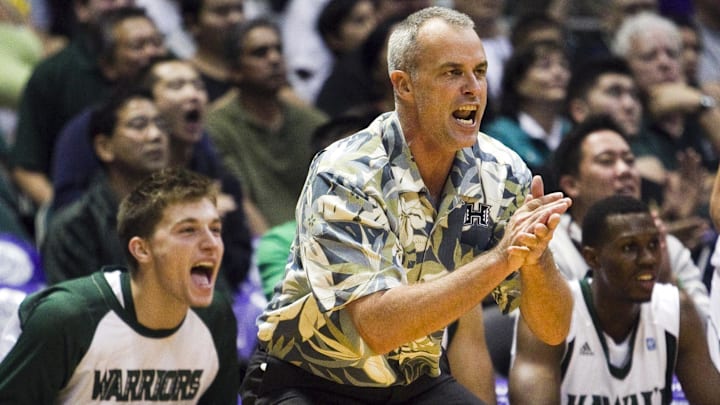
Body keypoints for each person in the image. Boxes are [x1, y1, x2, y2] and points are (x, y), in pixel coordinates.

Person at [241, 7, 573, 404]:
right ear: (404, 85)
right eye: (452, 72)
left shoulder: (501, 172)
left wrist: (536, 259)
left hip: (415, 379)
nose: (473, 88)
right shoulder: (347, 172)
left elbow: (553, 329)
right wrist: (502, 259)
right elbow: (378, 327)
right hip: (309, 380)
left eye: (480, 72)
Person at [0, 167, 240, 403]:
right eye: (188, 230)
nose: (211, 244)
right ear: (142, 249)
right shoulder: (67, 319)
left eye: (215, 229)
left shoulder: (215, 319)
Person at [509, 194, 720, 404]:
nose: (648, 259)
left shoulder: (677, 311)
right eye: (629, 247)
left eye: (654, 244)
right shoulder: (550, 313)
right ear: (592, 257)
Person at [547, 114, 710, 317]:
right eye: (606, 161)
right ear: (571, 184)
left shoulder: (665, 245)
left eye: (630, 160)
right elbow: (551, 331)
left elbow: (709, 331)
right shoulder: (550, 248)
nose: (625, 171)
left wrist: (667, 280)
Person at [10, 4, 165, 210]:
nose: (151, 53)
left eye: (156, 43)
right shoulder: (57, 78)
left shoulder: (169, 71)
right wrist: (64, 218)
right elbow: (26, 167)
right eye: (138, 46)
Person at [206, 17, 328, 236]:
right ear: (235, 70)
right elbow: (239, 200)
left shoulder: (312, 122)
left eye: (278, 50)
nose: (274, 59)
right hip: (260, 245)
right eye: (260, 53)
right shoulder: (217, 127)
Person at [41, 87, 169, 284]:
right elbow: (74, 309)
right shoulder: (75, 227)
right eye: (139, 125)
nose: (155, 135)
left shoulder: (185, 215)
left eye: (161, 125)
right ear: (104, 147)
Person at [482, 39, 572, 176]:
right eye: (545, 66)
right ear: (518, 82)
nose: (558, 73)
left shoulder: (573, 131)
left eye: (563, 66)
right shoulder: (499, 136)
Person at [180, 0, 246, 102]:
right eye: (221, 11)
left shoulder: (257, 71)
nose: (236, 19)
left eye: (239, 9)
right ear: (192, 23)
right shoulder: (183, 80)